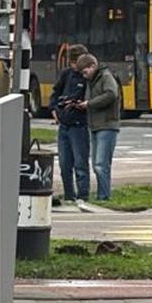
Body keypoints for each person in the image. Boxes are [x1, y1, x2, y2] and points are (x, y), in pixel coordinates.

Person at [77, 53, 120, 202]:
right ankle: (102, 195)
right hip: (96, 125)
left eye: (85, 71)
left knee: (101, 164)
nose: (84, 75)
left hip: (107, 124)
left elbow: (111, 94)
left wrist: (89, 103)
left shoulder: (105, 77)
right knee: (98, 163)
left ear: (93, 66)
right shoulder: (94, 80)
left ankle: (104, 196)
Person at [51, 43, 90, 204]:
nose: (74, 66)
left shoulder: (87, 77)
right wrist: (54, 109)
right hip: (64, 123)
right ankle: (69, 194)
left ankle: (83, 195)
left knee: (80, 162)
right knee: (64, 163)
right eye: (72, 62)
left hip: (79, 123)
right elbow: (56, 93)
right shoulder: (66, 74)